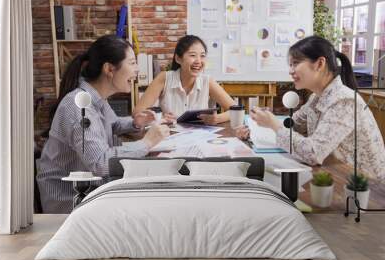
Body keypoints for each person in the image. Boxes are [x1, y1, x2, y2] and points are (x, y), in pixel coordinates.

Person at [37, 35, 170, 213]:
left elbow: (112, 125)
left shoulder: (96, 98)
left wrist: (135, 122)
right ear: (109, 69)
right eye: (131, 63)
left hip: (90, 187)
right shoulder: (79, 106)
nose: (137, 70)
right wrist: (146, 143)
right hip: (69, 200)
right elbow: (100, 162)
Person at [236, 35, 385, 180]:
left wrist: (273, 125)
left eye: (295, 63)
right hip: (336, 176)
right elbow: (292, 125)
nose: (290, 70)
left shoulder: (344, 100)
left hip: (367, 188)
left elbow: (313, 153)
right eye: (290, 65)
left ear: (319, 64)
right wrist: (256, 129)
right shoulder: (316, 97)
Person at [134, 35, 236, 125]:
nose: (198, 61)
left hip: (199, 139)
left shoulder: (207, 81)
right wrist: (159, 118)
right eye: (192, 55)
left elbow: (236, 110)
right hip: (169, 138)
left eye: (202, 56)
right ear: (178, 59)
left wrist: (217, 118)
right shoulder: (164, 78)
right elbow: (137, 113)